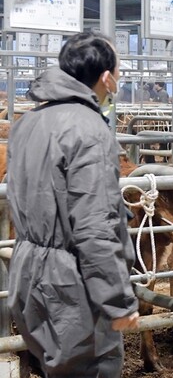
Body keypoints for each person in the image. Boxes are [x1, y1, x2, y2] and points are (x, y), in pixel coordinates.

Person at [6, 32, 139, 377]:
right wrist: (118, 300)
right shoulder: (90, 129)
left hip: (27, 271)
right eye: (119, 71)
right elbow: (94, 226)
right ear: (106, 77)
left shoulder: (27, 123)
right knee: (90, 368)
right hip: (72, 282)